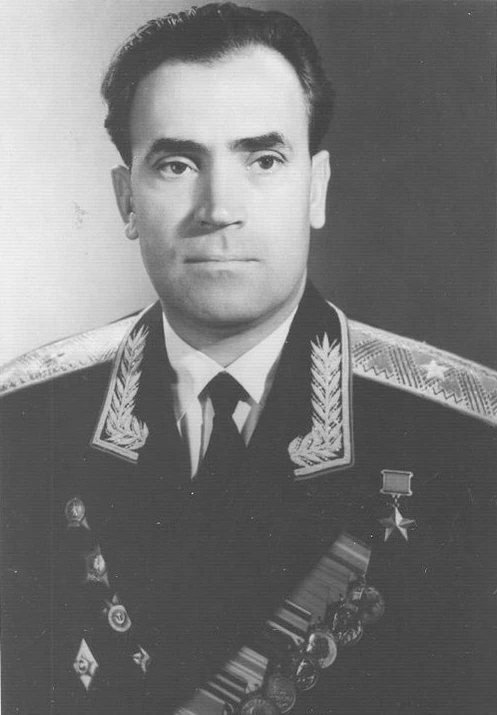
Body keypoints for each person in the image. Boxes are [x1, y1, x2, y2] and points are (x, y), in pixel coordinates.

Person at [1, 3, 496, 714]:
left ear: (316, 189)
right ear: (126, 199)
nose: (218, 208)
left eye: (263, 160)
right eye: (176, 164)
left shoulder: (463, 442)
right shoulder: (23, 425)